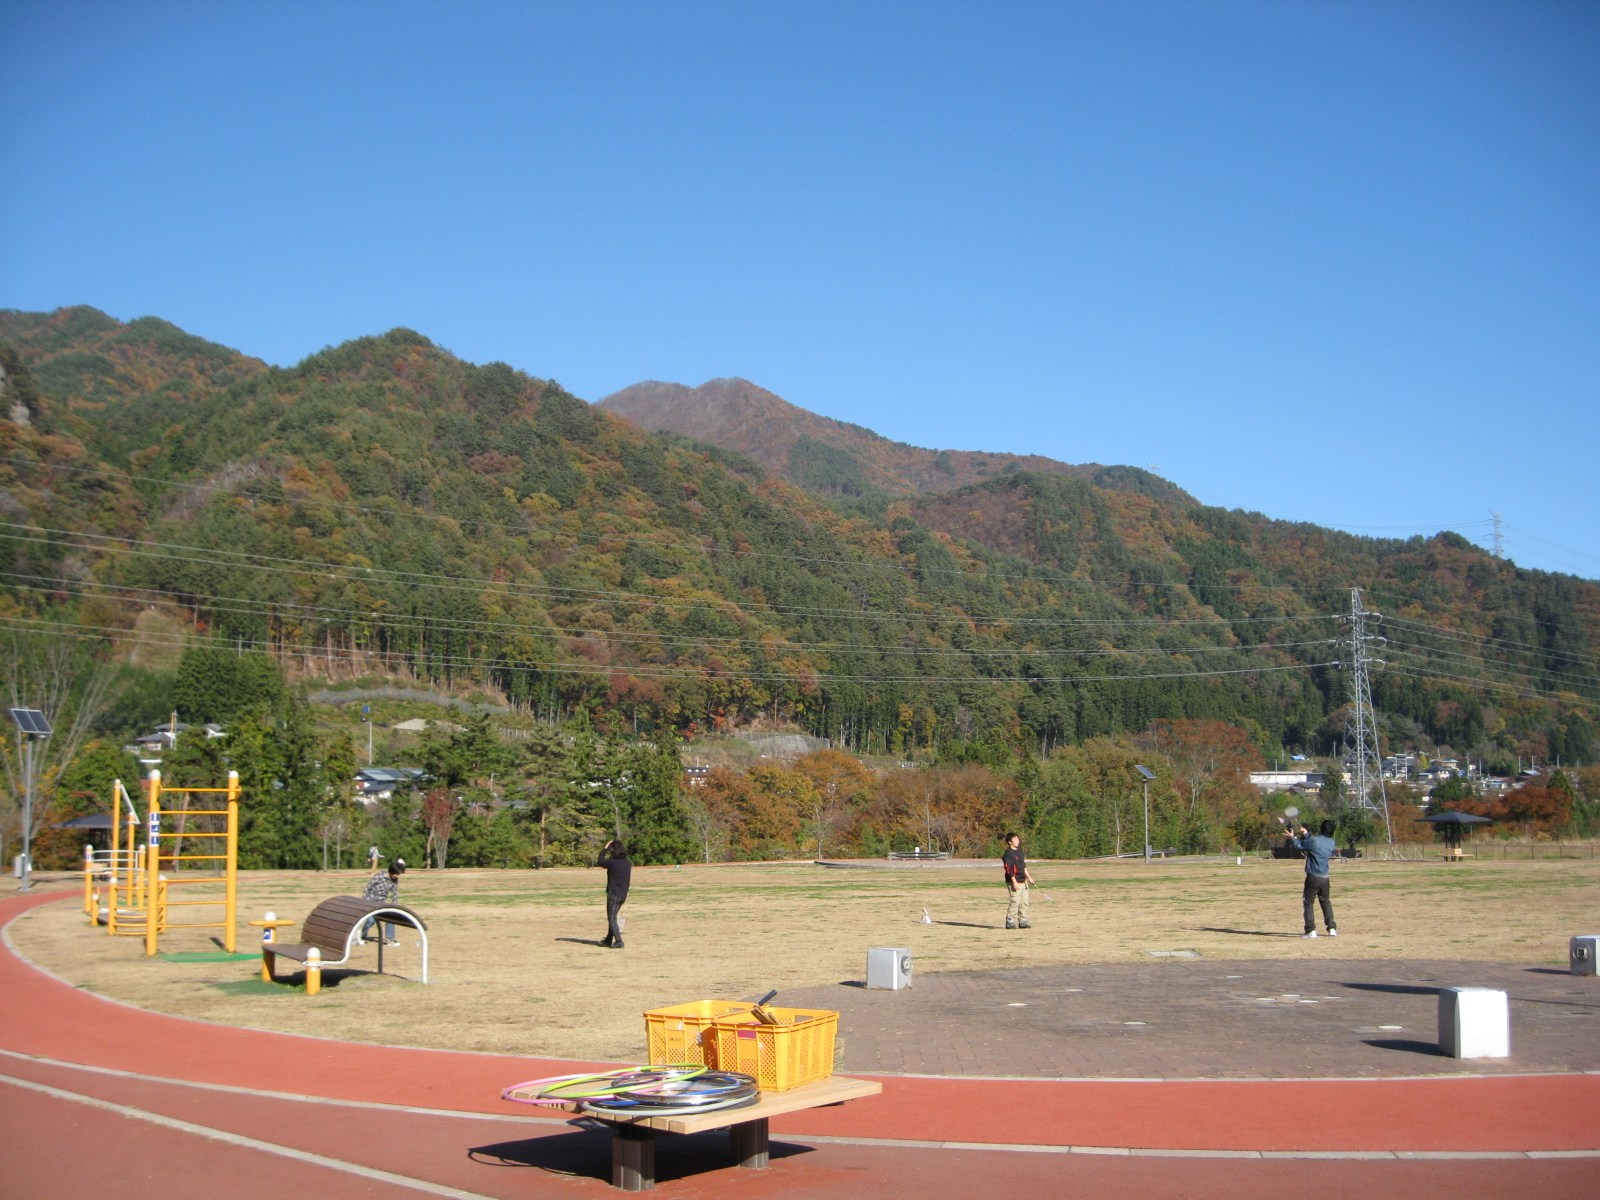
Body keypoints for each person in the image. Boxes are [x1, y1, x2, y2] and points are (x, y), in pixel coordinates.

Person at [1283, 819, 1338, 938]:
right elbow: (1315, 843)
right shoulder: (1331, 842)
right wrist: (1306, 834)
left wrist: (1292, 837)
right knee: (1325, 902)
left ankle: (1310, 930)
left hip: (1313, 876)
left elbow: (1299, 845)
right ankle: (1332, 928)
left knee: (1308, 903)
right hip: (1325, 878)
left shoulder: (1314, 841)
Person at [361, 858, 405, 945]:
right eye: (397, 874)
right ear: (391, 871)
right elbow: (367, 887)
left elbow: (394, 893)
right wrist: (365, 901)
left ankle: (390, 939)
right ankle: (362, 935)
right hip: (371, 902)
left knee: (390, 917)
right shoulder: (380, 876)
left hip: (382, 903)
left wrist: (395, 906)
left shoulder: (394, 880)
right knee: (371, 921)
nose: (397, 876)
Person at [598, 839, 631, 949]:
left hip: (613, 894)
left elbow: (600, 861)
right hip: (623, 894)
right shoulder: (627, 862)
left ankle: (619, 941)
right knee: (613, 917)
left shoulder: (612, 862)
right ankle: (608, 939)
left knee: (612, 918)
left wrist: (605, 848)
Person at [1001, 832, 1034, 930]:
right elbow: (1008, 869)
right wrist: (1014, 882)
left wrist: (1029, 877)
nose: (1018, 841)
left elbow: (1023, 866)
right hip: (1014, 881)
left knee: (1024, 901)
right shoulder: (1008, 854)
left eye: (1018, 839)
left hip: (1023, 880)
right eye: (1015, 840)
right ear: (1010, 842)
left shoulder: (1020, 853)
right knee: (1015, 901)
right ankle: (1010, 921)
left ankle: (1023, 921)